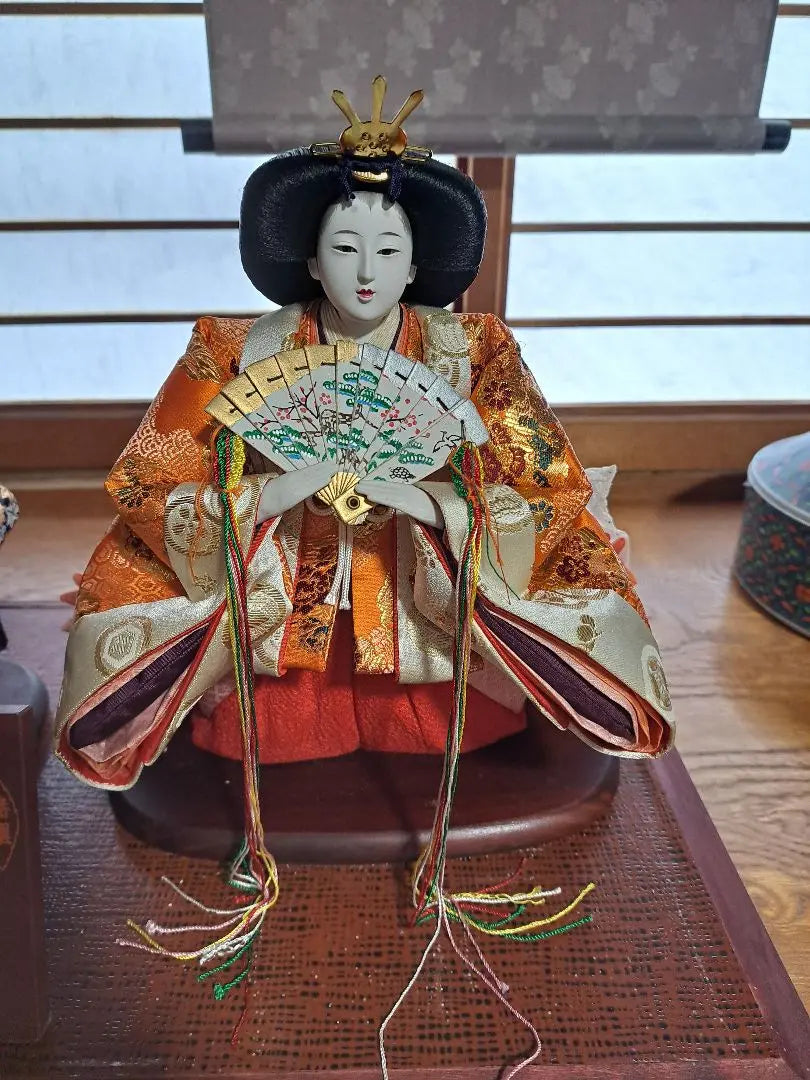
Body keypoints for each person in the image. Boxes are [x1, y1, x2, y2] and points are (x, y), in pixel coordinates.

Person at [54, 81, 673, 792]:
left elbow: (546, 484)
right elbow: (148, 481)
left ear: (415, 266)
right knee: (148, 582)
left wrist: (437, 506)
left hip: (421, 587)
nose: (368, 270)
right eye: (345, 247)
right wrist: (267, 494)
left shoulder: (473, 349)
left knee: (563, 576)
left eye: (389, 250)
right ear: (312, 262)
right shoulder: (229, 349)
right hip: (280, 579)